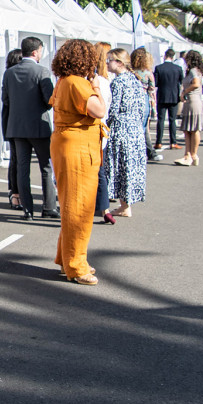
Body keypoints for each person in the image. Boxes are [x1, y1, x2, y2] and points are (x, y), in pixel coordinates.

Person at [49, 39, 108, 285]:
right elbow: (99, 110)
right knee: (79, 207)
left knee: (72, 204)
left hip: (69, 144)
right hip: (78, 147)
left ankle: (68, 258)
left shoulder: (64, 81)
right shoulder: (77, 83)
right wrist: (96, 87)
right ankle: (76, 264)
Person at [2, 36, 58, 220]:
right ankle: (49, 207)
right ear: (35, 52)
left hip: (17, 126)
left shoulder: (9, 73)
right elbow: (49, 100)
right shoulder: (42, 71)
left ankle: (27, 210)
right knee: (45, 167)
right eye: (41, 51)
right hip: (38, 127)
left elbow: (6, 100)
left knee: (22, 169)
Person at [105, 48, 148, 218]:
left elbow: (113, 109)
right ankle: (126, 204)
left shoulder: (118, 82)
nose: (107, 63)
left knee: (120, 165)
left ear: (120, 63)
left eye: (110, 60)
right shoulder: (134, 79)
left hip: (121, 129)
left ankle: (124, 205)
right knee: (129, 166)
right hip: (135, 128)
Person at [91, 42, 115, 225]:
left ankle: (102, 206)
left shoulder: (96, 81)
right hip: (103, 129)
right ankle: (104, 207)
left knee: (96, 170)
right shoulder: (107, 81)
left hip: (94, 128)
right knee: (100, 169)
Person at [130, 48, 162, 162]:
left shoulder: (131, 73)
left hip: (133, 100)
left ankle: (137, 152)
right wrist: (154, 108)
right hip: (145, 100)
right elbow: (152, 90)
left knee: (135, 127)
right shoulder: (148, 73)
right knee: (144, 128)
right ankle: (148, 152)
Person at [175, 50, 203, 166]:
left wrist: (184, 92)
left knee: (192, 129)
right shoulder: (196, 70)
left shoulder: (193, 71)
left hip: (193, 100)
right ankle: (190, 154)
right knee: (189, 129)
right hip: (193, 101)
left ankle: (191, 154)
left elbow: (196, 84)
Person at [1, 48, 23, 209]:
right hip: (12, 122)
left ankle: (16, 192)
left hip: (12, 122)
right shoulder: (11, 75)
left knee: (16, 160)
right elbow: (6, 100)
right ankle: (15, 192)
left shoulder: (9, 75)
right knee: (16, 159)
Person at [153, 48, 183, 150]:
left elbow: (156, 83)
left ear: (165, 56)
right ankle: (173, 142)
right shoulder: (178, 68)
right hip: (174, 96)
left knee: (160, 120)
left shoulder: (158, 68)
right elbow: (181, 81)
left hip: (162, 95)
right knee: (172, 120)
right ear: (173, 57)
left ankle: (158, 142)